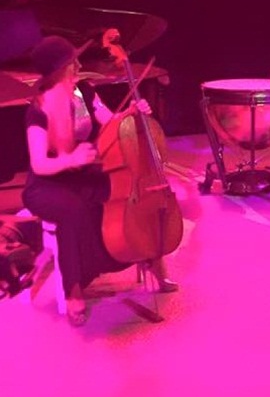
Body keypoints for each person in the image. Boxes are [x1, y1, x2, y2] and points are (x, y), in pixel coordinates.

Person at [21, 36, 178, 326]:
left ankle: (147, 258)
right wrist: (70, 160)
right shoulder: (38, 109)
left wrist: (131, 114)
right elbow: (40, 164)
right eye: (72, 62)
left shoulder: (84, 91)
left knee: (125, 193)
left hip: (80, 173)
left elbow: (111, 122)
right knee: (72, 211)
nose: (78, 65)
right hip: (46, 185)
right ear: (59, 69)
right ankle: (73, 290)